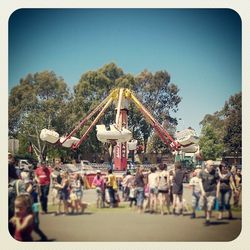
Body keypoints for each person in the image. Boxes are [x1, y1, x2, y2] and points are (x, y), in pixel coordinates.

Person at [199, 160, 220, 225]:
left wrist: (217, 192)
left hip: (212, 191)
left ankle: (208, 218)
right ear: (206, 165)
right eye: (211, 165)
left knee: (210, 205)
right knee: (203, 205)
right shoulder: (202, 172)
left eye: (213, 165)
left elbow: (218, 182)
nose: (212, 166)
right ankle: (207, 216)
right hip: (204, 192)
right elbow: (200, 181)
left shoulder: (215, 173)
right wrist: (202, 190)